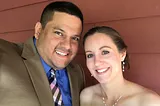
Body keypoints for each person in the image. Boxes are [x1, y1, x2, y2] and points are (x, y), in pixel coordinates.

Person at [0, 1, 85, 106]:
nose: (67, 46)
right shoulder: (4, 55)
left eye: (75, 38)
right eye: (59, 33)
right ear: (39, 30)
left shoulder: (77, 73)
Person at [80, 26, 160, 106]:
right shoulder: (87, 96)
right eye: (90, 55)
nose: (96, 62)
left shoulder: (149, 102)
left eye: (105, 52)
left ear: (122, 54)